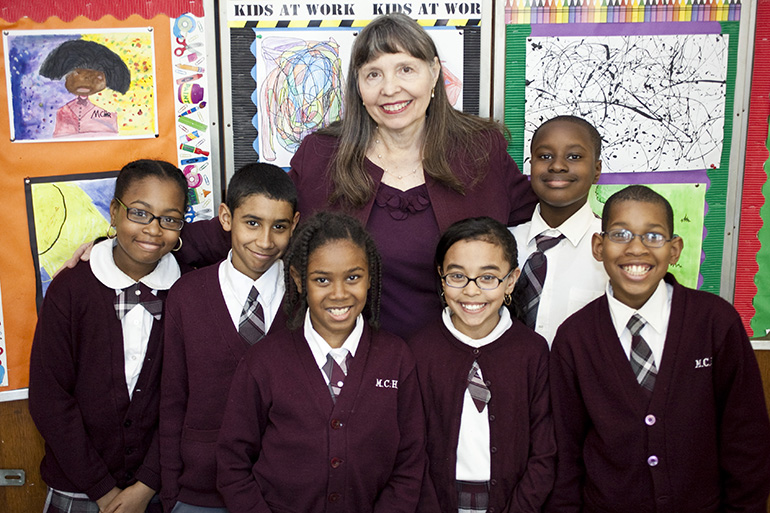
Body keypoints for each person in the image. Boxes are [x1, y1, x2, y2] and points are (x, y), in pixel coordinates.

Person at [288, 12, 537, 339]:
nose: (390, 89)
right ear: (358, 86)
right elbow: (264, 227)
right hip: (357, 366)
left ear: (434, 72)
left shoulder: (480, 151)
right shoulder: (320, 157)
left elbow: (543, 216)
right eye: (373, 74)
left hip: (458, 361)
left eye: (406, 69)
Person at [547, 185, 770, 512]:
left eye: (653, 236)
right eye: (621, 234)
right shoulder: (574, 338)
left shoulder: (714, 322)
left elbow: (746, 439)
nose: (636, 249)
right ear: (599, 245)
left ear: (675, 249)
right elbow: (566, 455)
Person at [216, 211, 427, 513]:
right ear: (300, 281)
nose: (339, 294)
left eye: (353, 277)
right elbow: (232, 463)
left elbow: (410, 461)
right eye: (322, 280)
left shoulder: (397, 359)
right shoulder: (263, 363)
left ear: (370, 278)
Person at [29, 160, 188, 513]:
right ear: (114, 213)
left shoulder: (188, 293)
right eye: (140, 213)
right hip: (78, 487)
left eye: (170, 219)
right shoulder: (71, 289)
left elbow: (188, 401)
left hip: (157, 489)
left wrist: (146, 485)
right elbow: (49, 398)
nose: (153, 229)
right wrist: (103, 491)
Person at [159, 163, 300, 513]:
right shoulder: (187, 296)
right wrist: (170, 492)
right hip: (197, 492)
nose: (265, 241)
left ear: (294, 225)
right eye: (252, 223)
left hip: (285, 490)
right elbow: (173, 399)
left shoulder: (305, 299)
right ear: (226, 218)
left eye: (279, 227)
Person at [409, 217, 555, 513]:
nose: (472, 291)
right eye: (457, 276)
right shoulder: (416, 352)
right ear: (441, 277)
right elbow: (409, 453)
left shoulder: (532, 351)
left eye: (488, 277)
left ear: (511, 280)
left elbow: (544, 453)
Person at [509, 115, 607, 346]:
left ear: (596, 169)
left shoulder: (615, 248)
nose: (557, 165)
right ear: (530, 165)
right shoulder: (504, 242)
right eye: (545, 156)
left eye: (574, 156)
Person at [39, 39, 131, 137]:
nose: (86, 80)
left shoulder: (107, 115)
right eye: (77, 73)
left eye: (97, 76)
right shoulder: (62, 112)